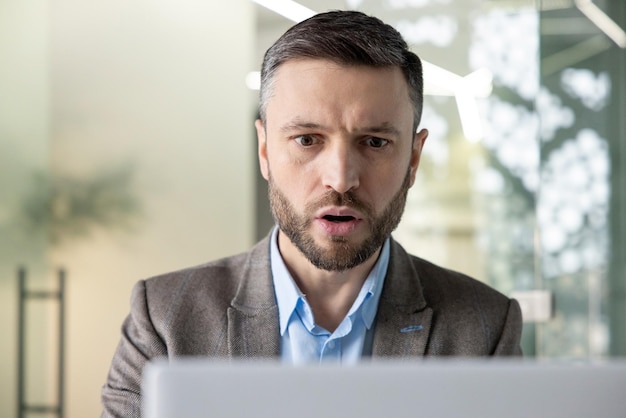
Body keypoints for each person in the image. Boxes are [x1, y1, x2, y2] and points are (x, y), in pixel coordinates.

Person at [101, 10, 523, 417]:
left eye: (374, 142)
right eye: (307, 139)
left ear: (413, 159)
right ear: (265, 151)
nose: (340, 179)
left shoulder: (484, 327)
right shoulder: (163, 320)